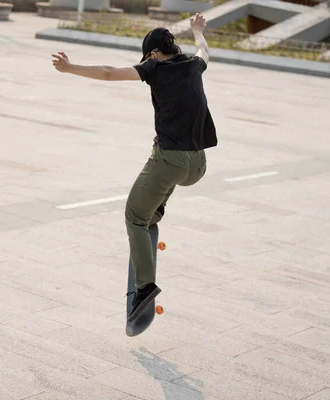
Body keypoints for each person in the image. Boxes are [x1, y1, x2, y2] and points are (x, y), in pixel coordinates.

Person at [51, 13, 217, 322]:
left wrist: (69, 67)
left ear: (153, 54)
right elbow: (204, 50)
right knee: (163, 170)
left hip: (172, 161)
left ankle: (145, 287)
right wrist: (197, 31)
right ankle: (158, 208)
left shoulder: (155, 68)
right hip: (198, 165)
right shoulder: (194, 65)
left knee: (134, 217)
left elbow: (110, 72)